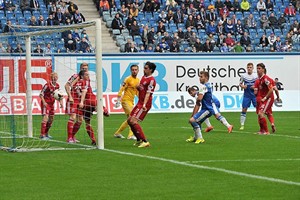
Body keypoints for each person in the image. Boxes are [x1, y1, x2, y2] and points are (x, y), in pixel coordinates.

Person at [65, 63, 109, 144]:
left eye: (86, 68)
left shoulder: (86, 79)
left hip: (82, 101)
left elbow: (85, 91)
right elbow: (67, 85)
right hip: (74, 100)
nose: (85, 69)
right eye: (83, 68)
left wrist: (82, 101)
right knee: (73, 117)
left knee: (80, 120)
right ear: (80, 68)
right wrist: (70, 96)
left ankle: (73, 136)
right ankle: (69, 138)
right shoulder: (75, 76)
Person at [186, 71, 233, 144]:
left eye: (201, 77)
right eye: (199, 76)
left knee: (193, 120)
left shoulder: (203, 87)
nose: (199, 78)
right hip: (207, 108)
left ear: (206, 78)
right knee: (197, 121)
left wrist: (193, 115)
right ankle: (196, 137)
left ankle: (200, 138)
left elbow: (199, 100)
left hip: (207, 109)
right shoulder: (208, 85)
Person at [127, 61, 157, 148]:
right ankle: (139, 139)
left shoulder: (151, 80)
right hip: (139, 102)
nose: (144, 69)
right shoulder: (144, 77)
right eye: (144, 68)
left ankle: (145, 141)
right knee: (129, 120)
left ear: (150, 70)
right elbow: (142, 88)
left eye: (146, 68)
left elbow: (148, 93)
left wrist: (144, 105)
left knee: (133, 121)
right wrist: (138, 87)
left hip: (144, 104)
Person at [114, 65, 140, 140]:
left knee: (129, 119)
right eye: (133, 70)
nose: (134, 71)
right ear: (130, 71)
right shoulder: (127, 79)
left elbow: (137, 92)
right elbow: (122, 89)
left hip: (131, 102)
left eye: (135, 70)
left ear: (138, 71)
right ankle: (130, 135)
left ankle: (117, 133)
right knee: (133, 117)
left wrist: (142, 101)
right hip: (125, 101)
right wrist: (118, 100)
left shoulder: (138, 80)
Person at [39, 72, 63, 139]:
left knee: (51, 119)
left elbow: (59, 96)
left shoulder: (57, 86)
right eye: (54, 76)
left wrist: (60, 102)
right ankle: (42, 134)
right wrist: (44, 102)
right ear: (51, 77)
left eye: (56, 76)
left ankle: (46, 133)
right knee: (45, 118)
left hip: (52, 104)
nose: (55, 78)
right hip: (46, 103)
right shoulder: (47, 85)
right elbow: (41, 94)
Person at [253, 63, 275, 135]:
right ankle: (261, 130)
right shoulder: (259, 79)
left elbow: (271, 89)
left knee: (261, 113)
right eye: (257, 68)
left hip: (267, 99)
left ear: (263, 69)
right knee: (259, 114)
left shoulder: (266, 78)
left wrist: (265, 97)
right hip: (262, 99)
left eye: (259, 68)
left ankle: (266, 131)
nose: (258, 70)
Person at [239, 63, 257, 130]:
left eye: (250, 67)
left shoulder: (256, 76)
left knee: (258, 109)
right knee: (244, 109)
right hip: (247, 95)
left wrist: (255, 87)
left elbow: (258, 84)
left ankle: (262, 125)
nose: (249, 68)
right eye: (248, 67)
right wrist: (243, 86)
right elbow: (240, 84)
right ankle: (242, 125)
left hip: (255, 95)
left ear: (252, 68)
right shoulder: (243, 76)